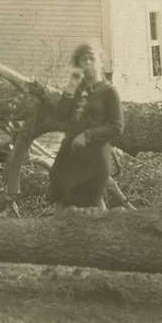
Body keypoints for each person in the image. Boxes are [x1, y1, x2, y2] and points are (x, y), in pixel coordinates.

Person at [48, 43, 125, 209]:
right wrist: (70, 86)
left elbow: (117, 127)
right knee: (64, 201)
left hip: (95, 157)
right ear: (79, 64)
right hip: (71, 155)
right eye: (84, 60)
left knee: (93, 204)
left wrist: (87, 135)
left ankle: (104, 233)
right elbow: (60, 115)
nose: (88, 63)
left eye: (92, 58)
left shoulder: (109, 91)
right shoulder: (77, 88)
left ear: (100, 62)